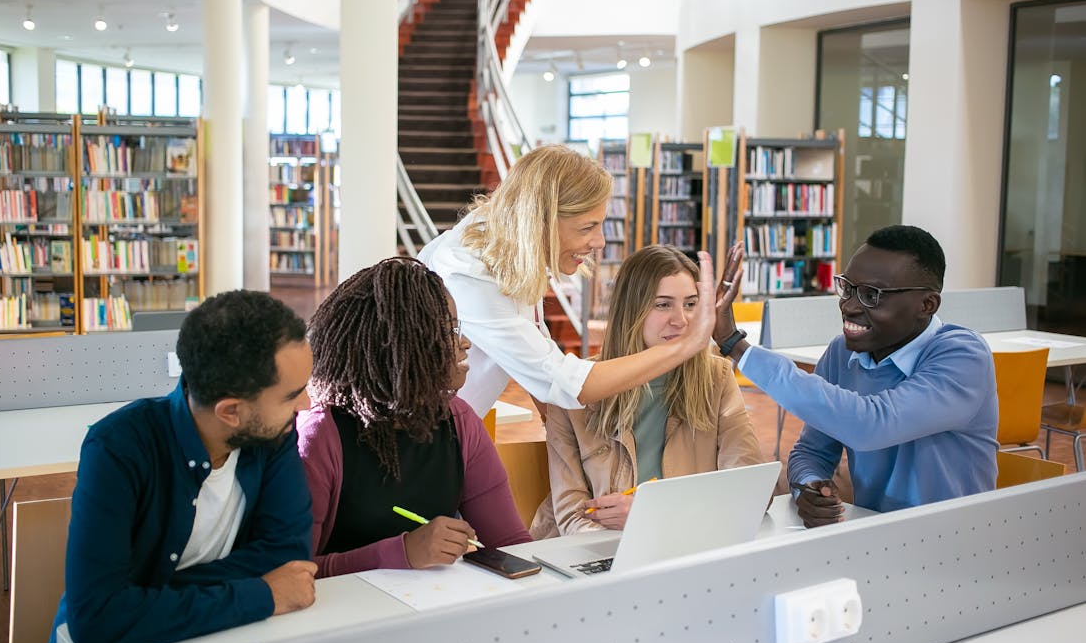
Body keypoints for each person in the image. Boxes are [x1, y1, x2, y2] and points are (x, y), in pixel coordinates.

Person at [34, 291, 317, 643]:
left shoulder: (274, 433)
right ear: (230, 411)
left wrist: (143, 599)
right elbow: (97, 620)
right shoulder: (118, 448)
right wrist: (262, 594)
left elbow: (289, 556)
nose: (306, 404)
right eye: (291, 395)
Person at [712, 225, 998, 527]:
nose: (847, 306)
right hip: (872, 536)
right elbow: (812, 451)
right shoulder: (842, 353)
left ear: (926, 305)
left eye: (870, 295)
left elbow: (870, 424)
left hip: (955, 544)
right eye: (847, 287)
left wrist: (737, 345)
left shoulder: (963, 356)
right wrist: (809, 487)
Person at [419, 144, 733, 418]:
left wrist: (555, 425)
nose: (600, 242)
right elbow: (560, 382)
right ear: (538, 223)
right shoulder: (468, 273)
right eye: (587, 228)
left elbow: (534, 354)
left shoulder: (507, 243)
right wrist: (687, 346)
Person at [297, 257, 532, 577]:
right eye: (448, 330)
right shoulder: (320, 438)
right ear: (397, 346)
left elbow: (511, 545)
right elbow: (291, 574)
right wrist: (402, 552)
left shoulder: (459, 422)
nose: (464, 343)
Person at [540, 245, 768, 536]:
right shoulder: (573, 388)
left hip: (686, 543)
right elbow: (572, 517)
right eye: (663, 304)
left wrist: (653, 517)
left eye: (690, 304)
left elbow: (749, 490)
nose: (681, 320)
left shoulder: (717, 378)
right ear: (631, 309)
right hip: (603, 553)